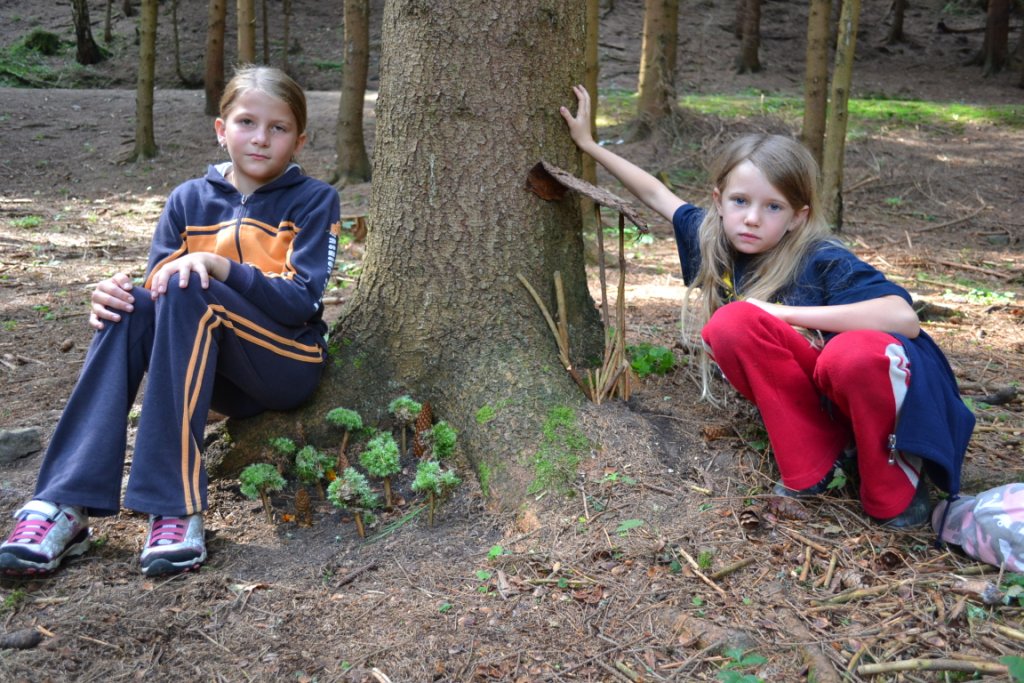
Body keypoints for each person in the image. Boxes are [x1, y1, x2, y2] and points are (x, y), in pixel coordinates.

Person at [560, 85, 974, 527]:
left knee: (850, 353)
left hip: (886, 399)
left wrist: (781, 314)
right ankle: (818, 460)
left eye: (773, 206)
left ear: (798, 216)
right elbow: (656, 194)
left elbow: (903, 318)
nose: (752, 218)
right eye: (740, 201)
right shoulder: (713, 238)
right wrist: (589, 145)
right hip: (824, 403)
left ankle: (895, 481)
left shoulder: (821, 257)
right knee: (732, 323)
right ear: (719, 201)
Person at [0, 65, 340, 577]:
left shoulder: (314, 200)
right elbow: (158, 296)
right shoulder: (187, 200)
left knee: (190, 284)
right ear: (221, 129)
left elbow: (302, 300)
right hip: (210, 372)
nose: (261, 138)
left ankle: (173, 505)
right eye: (247, 122)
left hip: (284, 363)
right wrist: (115, 297)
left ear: (299, 141)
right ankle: (62, 502)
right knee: (133, 305)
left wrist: (221, 266)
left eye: (279, 128)